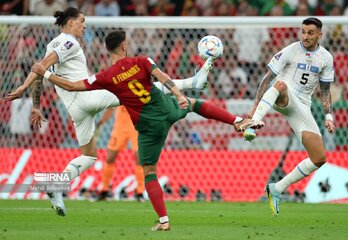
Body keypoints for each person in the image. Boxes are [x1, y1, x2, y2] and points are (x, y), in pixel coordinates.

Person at [31, 29, 263, 231]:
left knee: (145, 169)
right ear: (124, 45)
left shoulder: (105, 75)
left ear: (106, 49)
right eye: (81, 22)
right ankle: (236, 120)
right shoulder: (141, 60)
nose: (83, 25)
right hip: (166, 110)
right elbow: (162, 77)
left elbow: (72, 85)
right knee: (194, 104)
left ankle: (163, 220)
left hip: (135, 122)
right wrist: (180, 96)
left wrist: (45, 74)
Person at [5, 7, 215, 217]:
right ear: (70, 22)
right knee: (135, 84)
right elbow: (41, 67)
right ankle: (191, 82)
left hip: (74, 108)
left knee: (88, 156)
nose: (84, 25)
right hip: (86, 97)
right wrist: (24, 88)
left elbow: (40, 72)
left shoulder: (51, 45)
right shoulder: (69, 42)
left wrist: (35, 105)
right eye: (82, 20)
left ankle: (57, 186)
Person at [238, 17, 336, 216]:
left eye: (310, 33)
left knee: (319, 158)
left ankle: (276, 188)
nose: (305, 36)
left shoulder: (326, 58)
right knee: (279, 84)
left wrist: (328, 115)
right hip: (283, 95)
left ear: (319, 35)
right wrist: (253, 108)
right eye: (303, 32)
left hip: (302, 106)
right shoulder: (290, 50)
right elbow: (268, 78)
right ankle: (252, 124)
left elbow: (325, 90)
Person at [96, 106, 145, 201]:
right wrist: (102, 121)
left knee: (139, 159)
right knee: (110, 158)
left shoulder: (140, 91)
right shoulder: (118, 91)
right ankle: (104, 190)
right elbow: (111, 107)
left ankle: (140, 192)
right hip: (120, 127)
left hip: (136, 127)